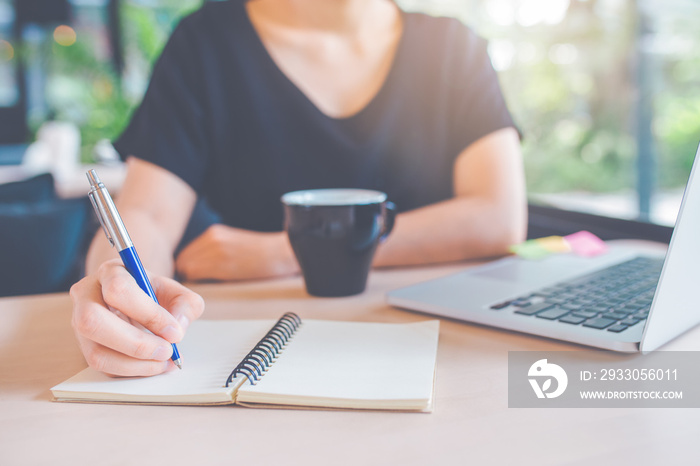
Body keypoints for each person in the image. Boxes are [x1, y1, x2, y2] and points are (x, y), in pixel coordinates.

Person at [70, 0, 526, 377]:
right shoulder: (203, 44)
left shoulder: (452, 47)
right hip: (252, 355)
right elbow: (146, 216)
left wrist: (290, 251)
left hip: (442, 348)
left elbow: (498, 217)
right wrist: (117, 284)